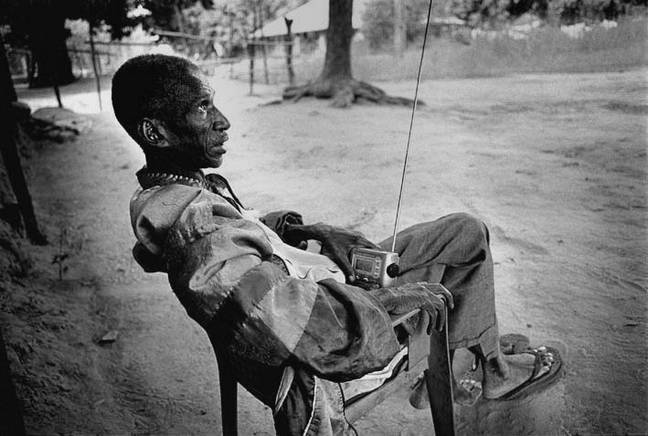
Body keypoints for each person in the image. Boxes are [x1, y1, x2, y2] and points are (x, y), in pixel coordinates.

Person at [112, 54, 562, 435]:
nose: (222, 122)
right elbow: (308, 328)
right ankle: (488, 368)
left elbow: (242, 246)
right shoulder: (198, 229)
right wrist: (386, 299)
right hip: (340, 323)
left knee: (461, 229)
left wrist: (294, 229)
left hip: (322, 278)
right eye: (202, 109)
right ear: (157, 133)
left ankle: (460, 359)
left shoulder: (168, 195)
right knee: (468, 242)